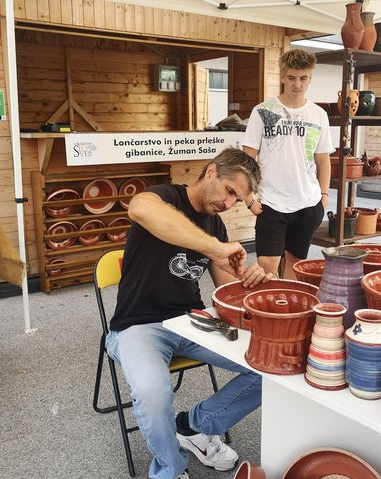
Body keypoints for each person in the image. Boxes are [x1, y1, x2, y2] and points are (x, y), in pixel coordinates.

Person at [106, 148, 273, 479]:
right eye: (229, 191)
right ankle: (169, 469)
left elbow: (226, 296)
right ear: (211, 172)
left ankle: (195, 427)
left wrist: (251, 281)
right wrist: (214, 247)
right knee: (153, 393)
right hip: (139, 324)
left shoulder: (216, 225)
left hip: (192, 321)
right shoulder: (165, 196)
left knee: (271, 367)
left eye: (236, 201)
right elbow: (139, 208)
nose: (228, 204)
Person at [242, 48, 334, 279]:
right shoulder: (263, 111)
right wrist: (248, 199)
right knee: (266, 268)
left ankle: (285, 313)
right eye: (292, 78)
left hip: (307, 202)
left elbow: (323, 159)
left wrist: (323, 197)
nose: (297, 84)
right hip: (271, 203)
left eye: (303, 78)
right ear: (282, 77)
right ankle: (266, 312)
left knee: (294, 266)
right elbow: (246, 160)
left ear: (310, 79)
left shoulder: (318, 114)